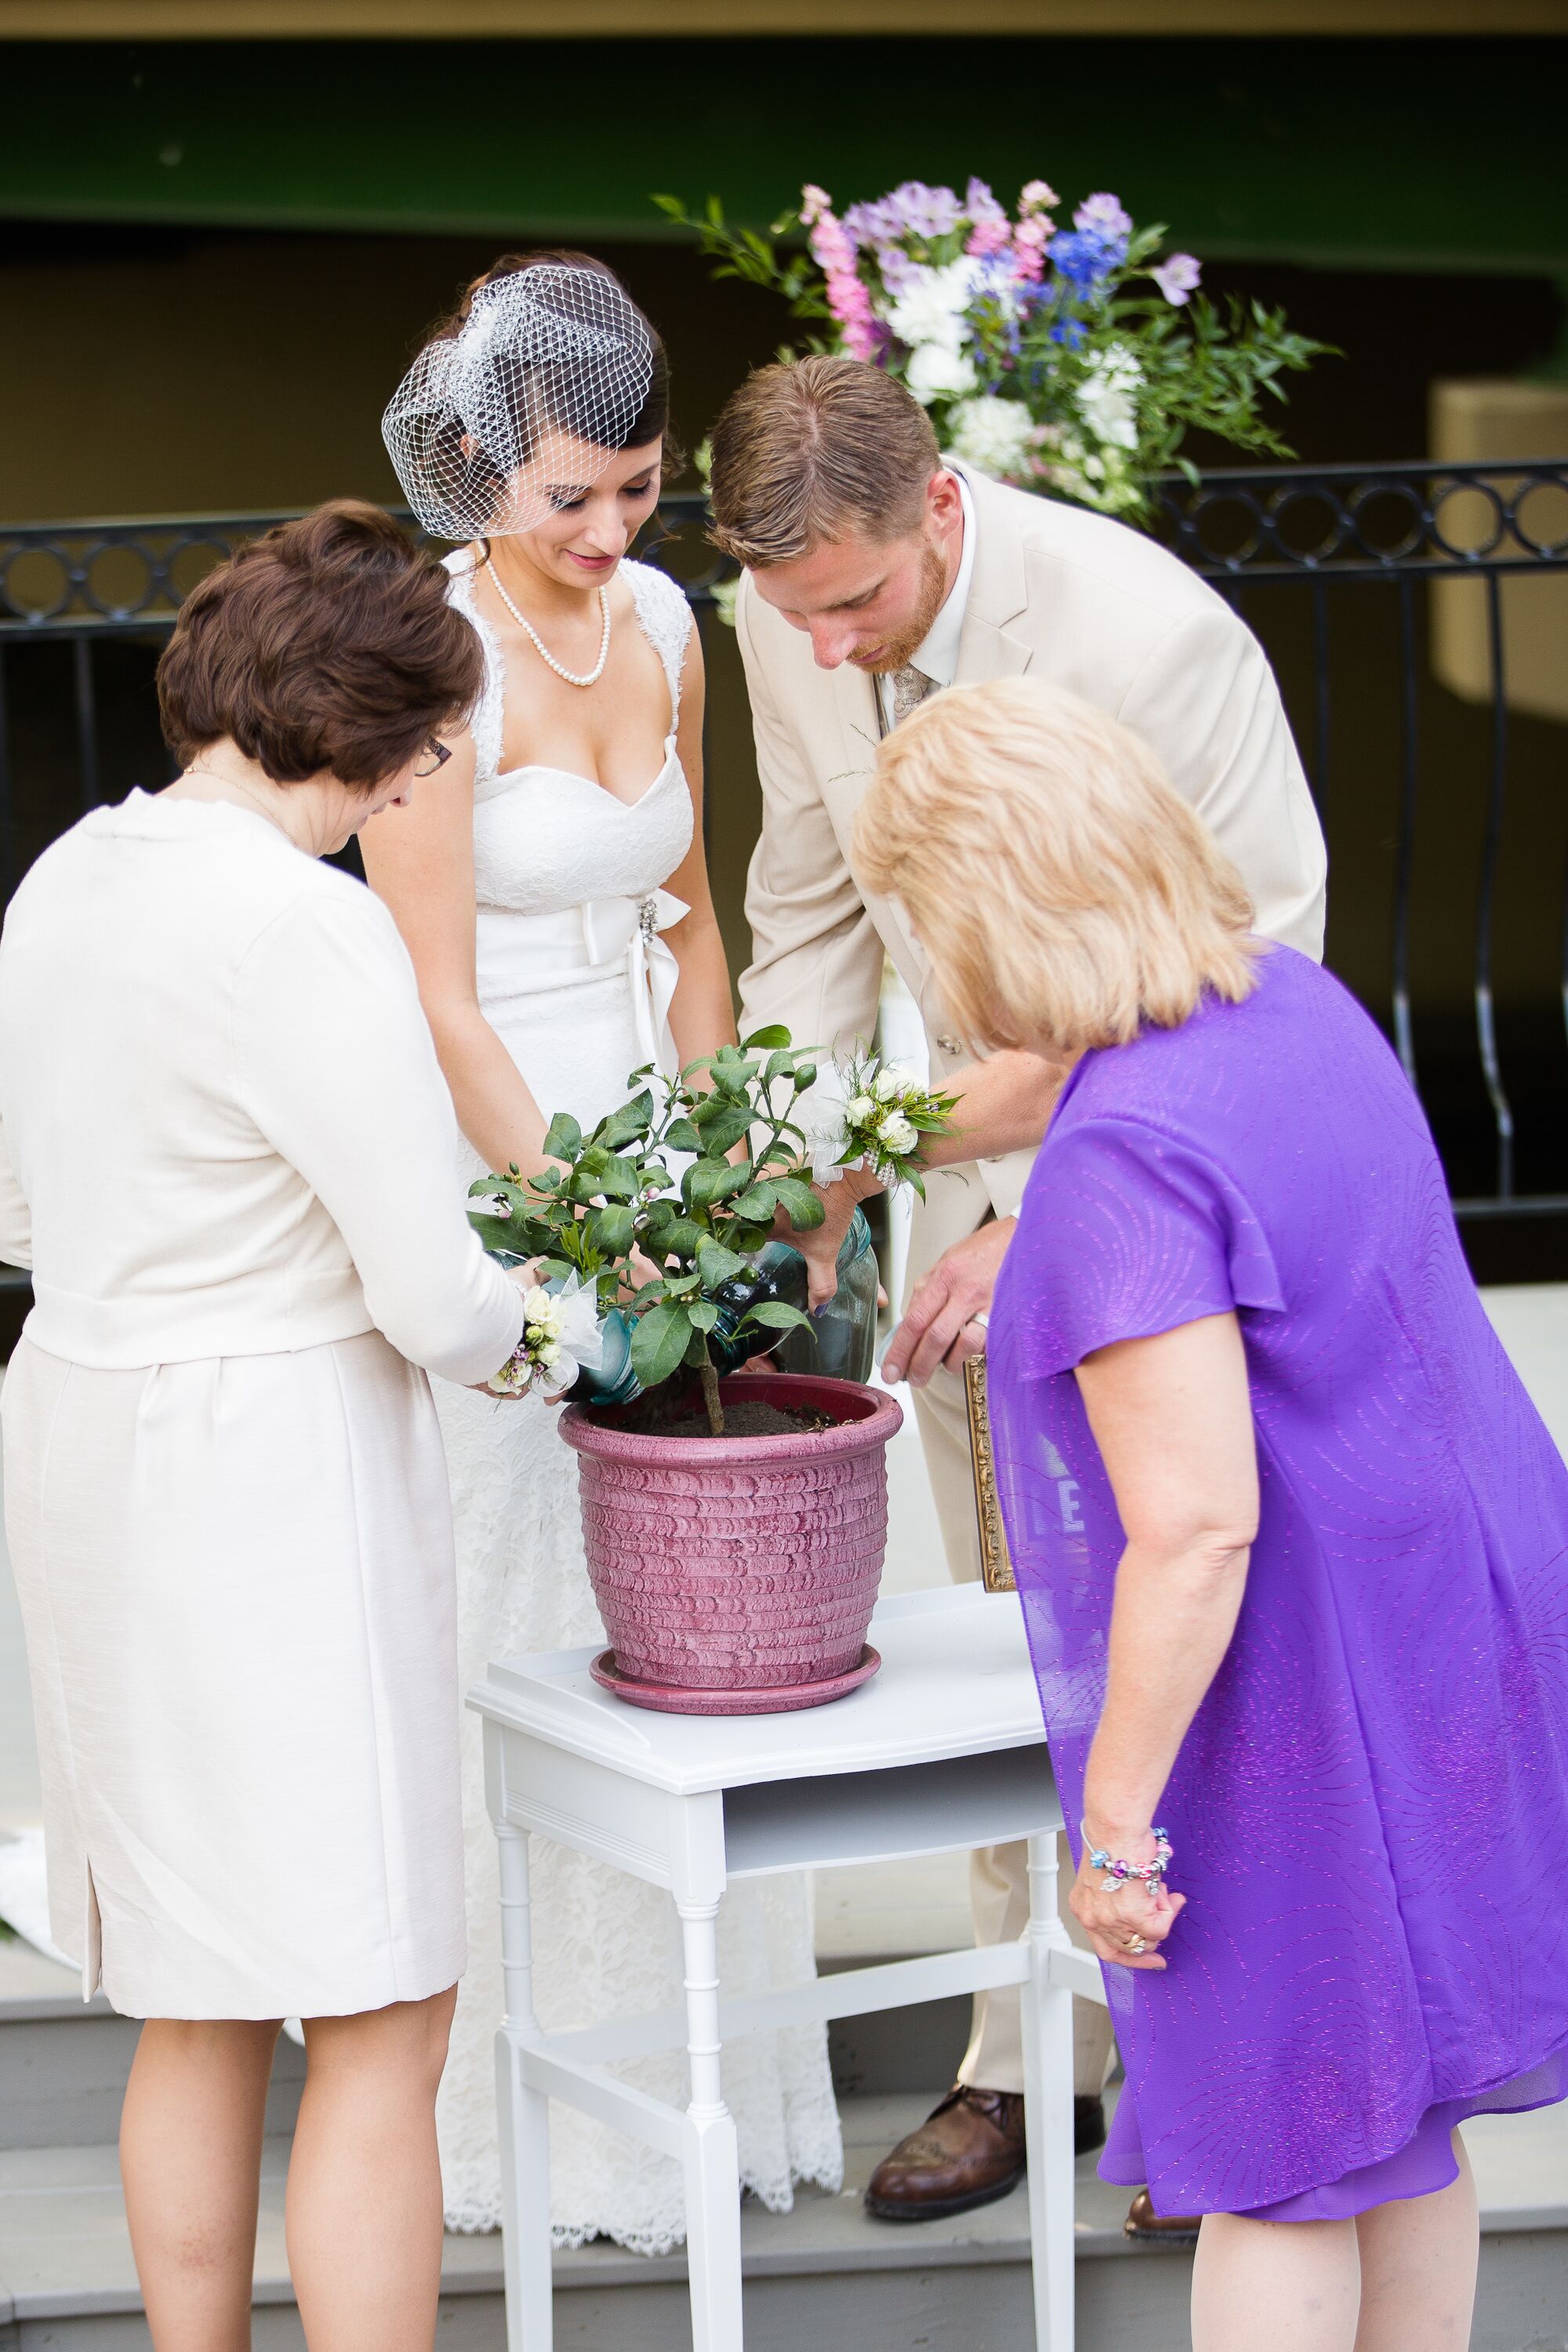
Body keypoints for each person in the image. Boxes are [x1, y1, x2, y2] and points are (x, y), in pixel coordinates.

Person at [853, 674, 1568, 2349]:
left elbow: (1193, 1528)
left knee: (1282, 2155)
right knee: (1400, 2125)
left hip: (1296, 1682)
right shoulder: (1290, 1004)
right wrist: (849, 1148)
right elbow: (1063, 1085)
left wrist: (1113, 1826)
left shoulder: (1117, 1169)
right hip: (1454, 1612)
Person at [706, 352, 1328, 2228]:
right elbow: (806, 906)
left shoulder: (1152, 638)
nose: (821, 651)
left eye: (855, 607)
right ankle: (1024, 2059)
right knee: (1011, 1617)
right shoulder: (780, 610)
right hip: (954, 1178)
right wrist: (798, 1172)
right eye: (791, 612)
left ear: (941, 513)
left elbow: (1253, 958)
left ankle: (1224, 2069)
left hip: (1161, 1215)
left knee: (1194, 1609)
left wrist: (1051, 1209)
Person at [0, 503, 531, 2352]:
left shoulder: (67, 876)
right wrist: (582, 1327)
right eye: (438, 735)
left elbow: (26, 1214)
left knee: (193, 1990)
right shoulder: (306, 934)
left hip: (87, 1437)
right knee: (382, 2007)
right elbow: (440, 1298)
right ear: (371, 732)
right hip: (269, 1482)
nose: (438, 768)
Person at [366, 254, 842, 2247]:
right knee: (524, 1606)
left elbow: (703, 920)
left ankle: (703, 2091)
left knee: (702, 1614)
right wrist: (582, 1221)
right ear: (475, 466)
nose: (608, 532)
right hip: (506, 1168)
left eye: (636, 489)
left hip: (658, 1128)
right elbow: (436, 996)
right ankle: (509, 2120)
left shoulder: (670, 623)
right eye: (570, 495)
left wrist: (723, 1165)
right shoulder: (421, 662)